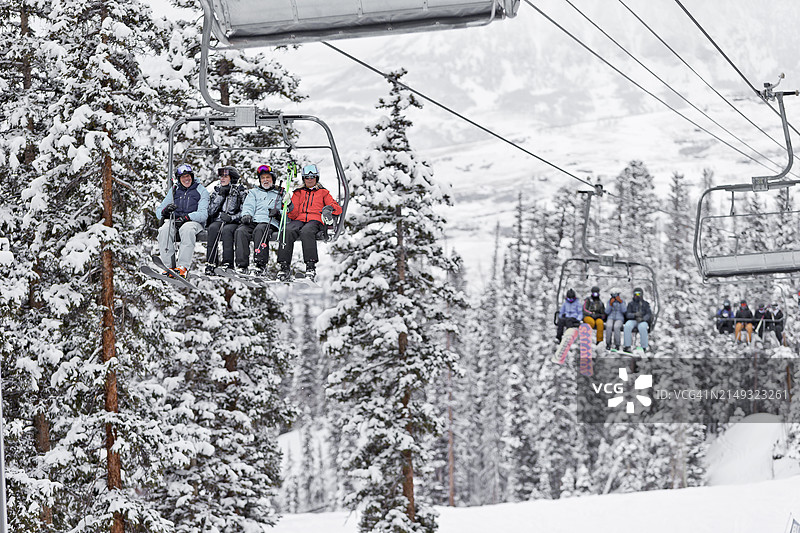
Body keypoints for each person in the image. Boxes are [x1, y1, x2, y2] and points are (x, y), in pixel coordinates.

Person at [277, 163, 342, 281]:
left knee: (306, 231)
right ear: (304, 179)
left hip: (315, 220)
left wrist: (328, 209)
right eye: (307, 177)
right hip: (299, 219)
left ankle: (310, 267)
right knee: (287, 230)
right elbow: (293, 214)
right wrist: (289, 204)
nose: (310, 180)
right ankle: (284, 266)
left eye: (312, 177)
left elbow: (337, 208)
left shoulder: (323, 192)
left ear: (317, 178)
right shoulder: (298, 192)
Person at [155, 163, 209, 278]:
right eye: (183, 177)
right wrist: (165, 211)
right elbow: (159, 212)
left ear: (192, 177)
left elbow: (203, 214)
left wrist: (187, 217)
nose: (186, 179)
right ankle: (168, 266)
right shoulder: (175, 190)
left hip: (193, 222)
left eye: (188, 176)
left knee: (187, 229)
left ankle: (183, 267)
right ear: (179, 179)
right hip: (176, 220)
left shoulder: (200, 190)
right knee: (164, 229)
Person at [235, 164, 283, 275]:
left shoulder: (279, 194)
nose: (265, 180)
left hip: (269, 221)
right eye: (263, 178)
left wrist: (278, 213)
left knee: (260, 230)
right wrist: (247, 215)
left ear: (272, 179)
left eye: (268, 178)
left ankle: (260, 264)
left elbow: (287, 212)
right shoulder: (253, 192)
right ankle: (242, 265)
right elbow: (249, 205)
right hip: (254, 220)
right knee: (241, 231)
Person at [205, 166, 247, 274]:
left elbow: (244, 210)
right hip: (219, 220)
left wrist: (231, 218)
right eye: (221, 176)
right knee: (213, 228)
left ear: (232, 178)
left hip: (233, 222)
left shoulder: (240, 192)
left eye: (225, 176)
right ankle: (211, 262)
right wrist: (221, 196)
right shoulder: (217, 191)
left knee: (227, 230)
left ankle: (228, 263)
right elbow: (210, 211)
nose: (222, 179)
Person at [622, 287, 652, 352]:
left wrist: (643, 319)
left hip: (642, 321)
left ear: (641, 294)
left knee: (642, 327)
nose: (637, 296)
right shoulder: (631, 304)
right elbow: (627, 314)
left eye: (639, 294)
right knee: (627, 326)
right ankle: (627, 346)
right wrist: (634, 315)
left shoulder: (645, 304)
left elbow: (649, 314)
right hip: (633, 320)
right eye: (635, 294)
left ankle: (643, 347)